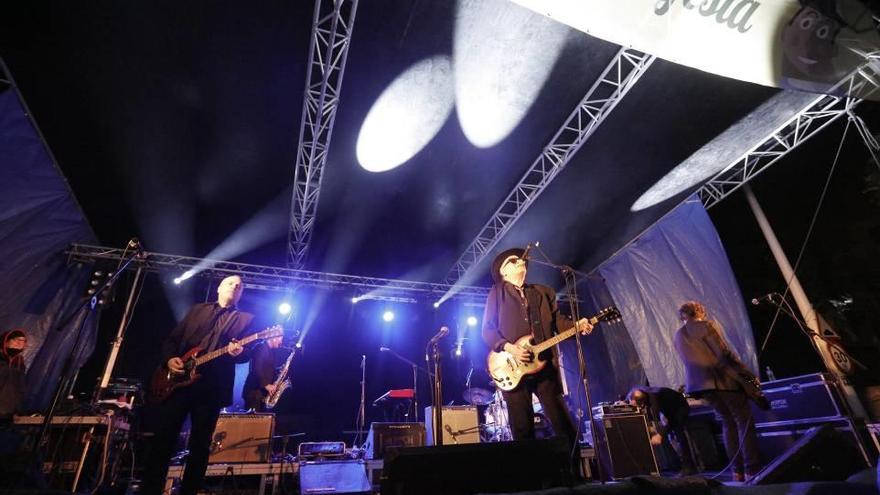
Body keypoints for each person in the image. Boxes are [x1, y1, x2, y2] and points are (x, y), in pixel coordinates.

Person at [141, 275, 257, 495]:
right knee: (163, 440)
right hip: (178, 384)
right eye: (231, 283)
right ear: (219, 289)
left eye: (240, 286)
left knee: (200, 446)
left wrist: (239, 353)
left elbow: (247, 354)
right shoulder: (198, 310)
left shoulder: (246, 319)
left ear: (241, 294)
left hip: (211, 388)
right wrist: (169, 359)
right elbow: (172, 341)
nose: (236, 286)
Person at [481, 247, 591, 444]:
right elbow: (488, 330)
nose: (519, 261)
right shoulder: (497, 293)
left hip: (544, 366)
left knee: (563, 423)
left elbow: (558, 323)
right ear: (503, 272)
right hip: (513, 367)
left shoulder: (543, 292)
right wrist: (511, 348)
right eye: (512, 261)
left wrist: (577, 326)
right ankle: (531, 474)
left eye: (520, 259)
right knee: (522, 428)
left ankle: (573, 472)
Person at [673, 300, 760, 482]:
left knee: (728, 423)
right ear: (699, 311)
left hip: (701, 386)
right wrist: (747, 375)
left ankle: (737, 473)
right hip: (723, 381)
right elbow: (723, 354)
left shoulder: (677, 335)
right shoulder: (705, 325)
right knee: (743, 422)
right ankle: (752, 470)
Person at [627, 386, 697, 476]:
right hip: (668, 409)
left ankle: (689, 467)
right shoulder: (635, 392)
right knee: (669, 433)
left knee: (679, 433)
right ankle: (678, 464)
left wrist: (659, 435)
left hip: (679, 408)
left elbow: (671, 419)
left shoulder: (655, 399)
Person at [242, 335, 285, 412]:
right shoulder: (261, 347)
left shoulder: (271, 351)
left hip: (261, 393)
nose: (281, 342)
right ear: (273, 337)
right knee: (253, 422)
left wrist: (280, 370)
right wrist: (266, 385)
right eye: (280, 339)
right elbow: (256, 368)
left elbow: (267, 369)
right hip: (254, 392)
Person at [0, 330, 28, 421]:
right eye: (16, 339)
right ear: (6, 341)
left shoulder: (20, 362)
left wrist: (16, 410)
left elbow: (20, 389)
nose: (20, 343)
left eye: (23, 341)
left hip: (8, 414)